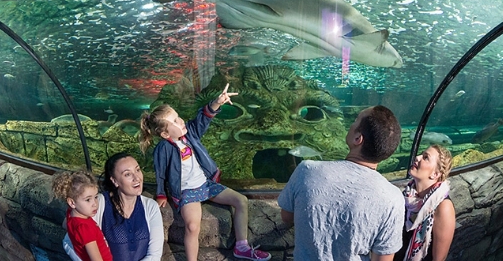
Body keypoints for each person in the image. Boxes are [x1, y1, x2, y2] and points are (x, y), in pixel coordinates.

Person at [139, 83, 271, 261]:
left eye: (178, 117)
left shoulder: (190, 133)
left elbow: (203, 118)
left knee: (241, 200)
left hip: (206, 185)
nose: (181, 121)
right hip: (187, 193)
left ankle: (242, 247)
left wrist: (217, 102)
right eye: (175, 121)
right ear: (164, 134)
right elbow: (160, 172)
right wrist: (161, 194)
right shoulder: (163, 149)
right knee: (193, 226)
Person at [277, 105, 405, 261]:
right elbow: (383, 258)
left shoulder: (307, 170)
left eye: (355, 120)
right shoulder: (393, 198)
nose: (351, 124)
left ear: (358, 139)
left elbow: (287, 216)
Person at [63, 153, 164, 261]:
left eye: (137, 170)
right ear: (114, 181)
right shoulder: (98, 203)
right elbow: (68, 241)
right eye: (127, 174)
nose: (137, 178)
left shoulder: (150, 207)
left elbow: (154, 255)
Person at [393, 145, 455, 261]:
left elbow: (439, 259)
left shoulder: (443, 206)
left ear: (435, 174)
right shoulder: (406, 196)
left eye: (426, 157)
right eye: (421, 154)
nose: (417, 157)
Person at [53, 170, 113, 261]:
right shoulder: (85, 227)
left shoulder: (71, 212)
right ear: (72, 202)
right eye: (88, 199)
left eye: (96, 197)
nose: (95, 204)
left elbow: (65, 225)